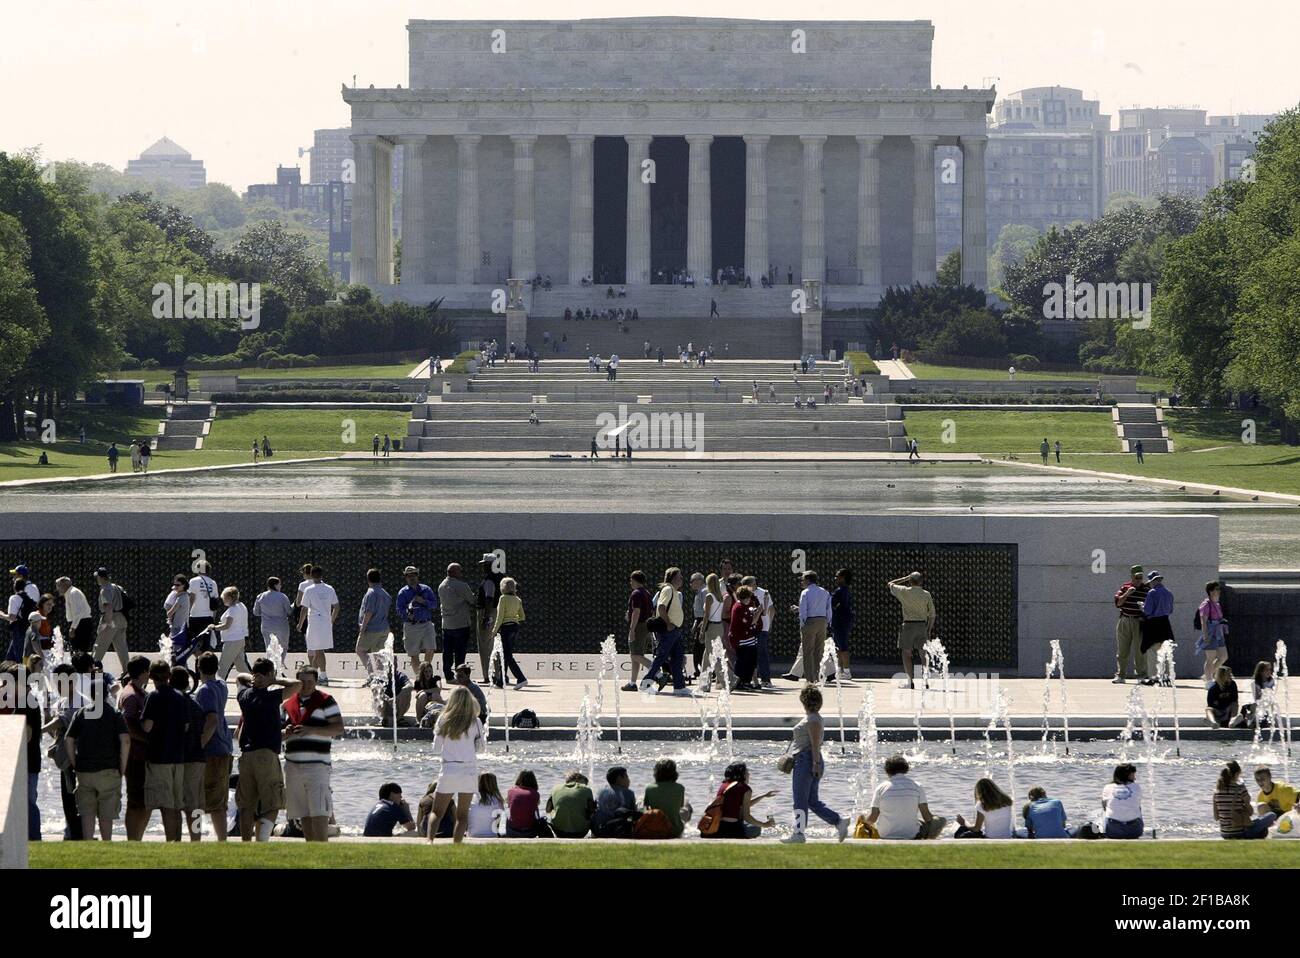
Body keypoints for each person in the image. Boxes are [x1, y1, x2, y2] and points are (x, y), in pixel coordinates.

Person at [234, 658, 301, 842]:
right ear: (270, 674)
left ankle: (246, 842)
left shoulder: (245, 696)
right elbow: (297, 685)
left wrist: (255, 677)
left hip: (246, 756)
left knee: (246, 805)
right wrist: (273, 681)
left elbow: (239, 677)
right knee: (273, 802)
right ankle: (262, 840)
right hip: (266, 756)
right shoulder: (271, 697)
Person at [283, 666, 344, 842]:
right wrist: (285, 732)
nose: (306, 685)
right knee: (303, 811)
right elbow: (276, 733)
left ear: (316, 682)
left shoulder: (326, 700)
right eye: (302, 681)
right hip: (293, 765)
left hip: (318, 765)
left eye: (310, 681)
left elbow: (338, 728)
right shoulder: (287, 703)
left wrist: (310, 730)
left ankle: (322, 846)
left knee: (319, 811)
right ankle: (311, 848)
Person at [66, 671, 129, 841]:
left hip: (85, 770)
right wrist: (122, 767)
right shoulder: (115, 714)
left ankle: (88, 843)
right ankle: (106, 844)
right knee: (106, 815)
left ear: (90, 694)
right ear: (107, 693)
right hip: (109, 769)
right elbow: (125, 741)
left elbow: (69, 740)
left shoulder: (80, 713)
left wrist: (75, 763)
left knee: (87, 813)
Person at [781, 686, 849, 843]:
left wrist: (816, 763)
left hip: (807, 760)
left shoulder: (813, 720)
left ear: (803, 701)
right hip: (808, 760)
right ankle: (839, 822)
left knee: (800, 799)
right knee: (811, 801)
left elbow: (815, 744)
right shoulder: (813, 717)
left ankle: (798, 833)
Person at [428, 685, 485, 842]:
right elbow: (481, 748)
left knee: (437, 812)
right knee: (462, 816)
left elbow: (436, 747)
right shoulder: (476, 722)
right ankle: (457, 845)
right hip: (468, 770)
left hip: (449, 768)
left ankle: (429, 841)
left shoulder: (444, 719)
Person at [140, 660, 189, 841]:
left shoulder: (153, 697)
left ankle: (170, 842)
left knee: (165, 804)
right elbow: (185, 726)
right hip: (178, 757)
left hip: (159, 757)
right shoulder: (179, 696)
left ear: (151, 677)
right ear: (169, 676)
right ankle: (177, 839)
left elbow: (147, 726)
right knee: (176, 805)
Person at [194, 651, 234, 840]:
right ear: (217, 668)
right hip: (224, 746)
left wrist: (198, 745)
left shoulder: (204, 690)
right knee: (219, 800)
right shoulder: (221, 685)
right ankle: (221, 839)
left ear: (198, 668)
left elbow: (211, 720)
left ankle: (196, 837)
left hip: (211, 750)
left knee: (197, 799)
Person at [863, 754, 946, 840]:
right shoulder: (917, 786)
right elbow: (926, 816)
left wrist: (863, 819)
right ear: (906, 769)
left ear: (887, 771)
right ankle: (928, 839)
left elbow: (872, 818)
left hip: (884, 834)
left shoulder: (881, 788)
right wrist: (936, 818)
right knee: (942, 820)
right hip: (911, 835)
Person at [117, 655, 151, 840]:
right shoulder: (131, 695)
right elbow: (128, 724)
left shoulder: (137, 692)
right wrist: (147, 740)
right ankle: (133, 839)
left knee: (144, 800)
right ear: (144, 672)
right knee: (135, 800)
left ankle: (137, 837)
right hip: (135, 756)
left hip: (140, 755)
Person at [641, 567, 689, 695]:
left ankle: (679, 687)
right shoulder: (668, 589)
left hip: (675, 630)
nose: (682, 579)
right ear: (673, 578)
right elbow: (661, 607)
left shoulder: (672, 590)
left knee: (677, 658)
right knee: (661, 657)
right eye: (680, 576)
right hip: (669, 630)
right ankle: (646, 684)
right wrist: (668, 623)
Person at [700, 762, 774, 839]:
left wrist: (764, 795)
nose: (749, 775)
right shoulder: (746, 789)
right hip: (732, 830)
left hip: (714, 828)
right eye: (747, 772)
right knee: (756, 829)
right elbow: (747, 817)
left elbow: (737, 805)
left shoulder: (724, 785)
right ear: (743, 775)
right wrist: (764, 824)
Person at [887, 571, 935, 689]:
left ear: (910, 581)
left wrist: (905, 578)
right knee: (923, 654)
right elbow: (932, 614)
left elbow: (890, 584)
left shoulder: (904, 591)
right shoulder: (926, 594)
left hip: (908, 625)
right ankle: (925, 680)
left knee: (906, 653)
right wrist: (928, 629)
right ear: (921, 581)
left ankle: (910, 681)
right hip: (922, 626)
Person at [790, 571, 833, 687]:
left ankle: (810, 679)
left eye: (803, 579)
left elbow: (803, 611)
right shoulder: (824, 592)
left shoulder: (805, 592)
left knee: (807, 652)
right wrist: (827, 622)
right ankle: (820, 676)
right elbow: (829, 609)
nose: (801, 581)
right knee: (819, 651)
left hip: (810, 621)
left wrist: (803, 624)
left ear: (808, 580)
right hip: (822, 621)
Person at [297, 566, 339, 683]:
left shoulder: (309, 590)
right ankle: (314, 675)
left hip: (314, 623)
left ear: (311, 575)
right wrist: (331, 620)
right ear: (321, 575)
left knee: (318, 650)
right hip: (325, 623)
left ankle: (323, 676)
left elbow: (304, 608)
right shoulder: (330, 588)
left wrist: (300, 624)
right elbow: (336, 606)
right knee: (317, 650)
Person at [1215, 761, 1276, 840]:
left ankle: (1261, 832)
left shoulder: (1217, 792)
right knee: (1271, 815)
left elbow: (1216, 817)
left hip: (1224, 834)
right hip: (1240, 833)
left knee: (1261, 828)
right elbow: (1250, 812)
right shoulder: (1240, 789)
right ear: (1237, 774)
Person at [396, 565, 439, 673]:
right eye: (409, 576)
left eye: (414, 575)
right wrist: (407, 614)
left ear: (417, 576)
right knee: (414, 654)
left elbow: (434, 604)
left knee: (430, 648)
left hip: (426, 624)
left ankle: (426, 672)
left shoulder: (426, 589)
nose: (412, 578)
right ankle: (419, 677)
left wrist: (424, 601)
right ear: (406, 577)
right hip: (411, 625)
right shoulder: (403, 592)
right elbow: (399, 609)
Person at [202, 586, 251, 680]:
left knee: (222, 666)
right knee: (241, 666)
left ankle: (217, 685)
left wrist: (214, 627)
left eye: (224, 598)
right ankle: (253, 683)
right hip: (240, 640)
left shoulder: (232, 610)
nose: (223, 601)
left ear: (229, 598)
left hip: (232, 641)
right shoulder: (242, 606)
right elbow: (235, 623)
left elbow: (226, 626)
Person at [438, 563, 476, 681]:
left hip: (447, 624)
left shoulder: (441, 586)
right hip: (461, 624)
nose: (462, 573)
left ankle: (448, 676)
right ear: (454, 572)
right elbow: (472, 600)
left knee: (447, 652)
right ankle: (460, 675)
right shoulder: (462, 586)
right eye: (460, 571)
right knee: (460, 652)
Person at [1113, 565, 1149, 684]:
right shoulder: (1125, 587)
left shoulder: (1146, 589)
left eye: (1140, 577)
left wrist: (1144, 609)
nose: (1139, 580)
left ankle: (1141, 675)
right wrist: (1127, 594)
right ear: (1132, 576)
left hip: (1139, 621)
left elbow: (1151, 607)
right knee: (1122, 650)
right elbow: (1118, 603)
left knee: (1140, 651)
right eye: (1136, 577)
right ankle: (1121, 675)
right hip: (1125, 620)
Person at [92, 567, 130, 678]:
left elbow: (108, 607)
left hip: (111, 619)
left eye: (97, 577)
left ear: (100, 577)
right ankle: (127, 672)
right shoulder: (117, 587)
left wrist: (106, 624)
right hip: (122, 619)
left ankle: (91, 672)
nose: (97, 579)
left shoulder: (105, 589)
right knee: (122, 647)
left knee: (99, 646)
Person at [492, 576, 528, 688]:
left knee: (507, 656)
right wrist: (514, 617)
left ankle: (521, 678)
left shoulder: (503, 598)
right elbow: (522, 616)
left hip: (506, 628)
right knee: (506, 654)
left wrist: (494, 630)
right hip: (515, 628)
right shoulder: (518, 599)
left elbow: (500, 616)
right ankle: (501, 680)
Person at [641, 758, 691, 839]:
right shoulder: (680, 788)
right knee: (687, 805)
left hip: (655, 828)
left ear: (656, 772)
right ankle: (685, 831)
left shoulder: (649, 788)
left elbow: (646, 807)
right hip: (675, 830)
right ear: (674, 773)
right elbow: (680, 806)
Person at [1140, 570, 1173, 686]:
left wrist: (1142, 607)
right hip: (1165, 622)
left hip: (1154, 623)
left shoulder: (1152, 593)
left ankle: (1153, 677)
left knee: (1152, 651)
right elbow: (1170, 610)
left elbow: (1148, 610)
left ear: (1153, 581)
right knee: (1165, 651)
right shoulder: (1169, 593)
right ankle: (1166, 677)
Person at [356, 568, 392, 676]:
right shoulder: (386, 594)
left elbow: (369, 612)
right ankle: (381, 677)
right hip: (384, 628)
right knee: (378, 654)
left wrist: (362, 629)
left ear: (368, 579)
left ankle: (372, 675)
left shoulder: (371, 593)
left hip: (371, 628)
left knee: (360, 650)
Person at [475, 555, 504, 682]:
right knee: (497, 645)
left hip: (487, 612)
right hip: (498, 612)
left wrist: (486, 618)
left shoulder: (489, 580)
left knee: (485, 645)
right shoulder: (502, 577)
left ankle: (488, 676)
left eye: (485, 565)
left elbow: (489, 598)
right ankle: (499, 674)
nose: (483, 567)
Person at [1195, 580, 1229, 684]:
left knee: (1223, 656)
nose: (1218, 591)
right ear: (1210, 591)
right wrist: (1205, 635)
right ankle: (1209, 680)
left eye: (1218, 589)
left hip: (1219, 633)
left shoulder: (1217, 604)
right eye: (1216, 589)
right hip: (1210, 632)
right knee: (1210, 658)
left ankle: (1208, 674)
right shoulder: (1206, 604)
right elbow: (1203, 621)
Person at [729, 584, 761, 690]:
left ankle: (746, 681)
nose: (749, 600)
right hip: (741, 639)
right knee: (743, 661)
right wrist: (758, 613)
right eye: (747, 598)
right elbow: (749, 623)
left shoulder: (747, 605)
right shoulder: (739, 608)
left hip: (750, 638)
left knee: (751, 661)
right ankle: (739, 682)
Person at [592, 766, 638, 838]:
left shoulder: (600, 792)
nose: (629, 780)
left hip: (598, 830)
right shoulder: (628, 793)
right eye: (626, 777)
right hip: (615, 831)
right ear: (619, 778)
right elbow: (634, 814)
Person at [547, 771, 596, 838]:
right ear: (577, 780)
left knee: (553, 811)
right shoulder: (586, 789)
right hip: (580, 832)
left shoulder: (555, 788)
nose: (585, 785)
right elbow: (592, 811)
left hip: (559, 831)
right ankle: (594, 836)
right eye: (584, 783)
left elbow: (548, 810)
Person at [1100, 763, 1144, 839]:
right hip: (1135, 831)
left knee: (1105, 811)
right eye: (1133, 775)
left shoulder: (1108, 787)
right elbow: (1138, 807)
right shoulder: (1137, 787)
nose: (1135, 778)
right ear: (1126, 775)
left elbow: (1104, 807)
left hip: (1113, 831)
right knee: (1138, 809)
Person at [187, 561, 220, 654]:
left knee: (192, 642)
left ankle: (198, 658)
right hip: (208, 617)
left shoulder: (193, 581)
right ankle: (203, 663)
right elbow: (215, 603)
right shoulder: (213, 583)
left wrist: (186, 614)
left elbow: (192, 598)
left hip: (195, 616)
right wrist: (213, 619)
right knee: (206, 644)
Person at [252, 577, 293, 652]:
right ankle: (280, 663)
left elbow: (256, 612)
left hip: (266, 626)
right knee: (282, 647)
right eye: (279, 584)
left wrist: (265, 612)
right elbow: (289, 611)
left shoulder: (260, 596)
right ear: (275, 585)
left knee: (269, 648)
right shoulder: (283, 597)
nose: (281, 586)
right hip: (281, 626)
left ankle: (271, 663)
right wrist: (294, 606)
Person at [55, 576, 94, 655]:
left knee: (79, 651)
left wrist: (73, 628)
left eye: (58, 586)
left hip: (81, 624)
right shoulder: (70, 593)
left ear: (64, 585)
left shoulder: (73, 593)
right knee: (77, 651)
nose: (57, 589)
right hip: (79, 623)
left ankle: (81, 667)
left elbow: (78, 613)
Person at [505, 769, 546, 838]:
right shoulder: (535, 794)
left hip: (512, 831)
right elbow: (537, 805)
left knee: (509, 814)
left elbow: (508, 804)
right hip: (530, 832)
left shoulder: (511, 791)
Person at [829, 568, 853, 680]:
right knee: (838, 647)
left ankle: (847, 672)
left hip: (840, 622)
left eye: (837, 576)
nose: (835, 578)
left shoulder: (840, 591)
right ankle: (839, 670)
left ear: (843, 578)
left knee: (843, 647)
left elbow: (833, 604)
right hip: (841, 621)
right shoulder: (846, 590)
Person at [163, 575, 192, 664]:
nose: (175, 587)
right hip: (181, 627)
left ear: (184, 585)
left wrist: (169, 609)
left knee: (177, 654)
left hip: (178, 629)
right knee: (179, 653)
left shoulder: (181, 598)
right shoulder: (185, 596)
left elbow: (169, 613)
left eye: (178, 585)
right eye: (174, 585)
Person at [468, 773, 505, 838]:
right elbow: (501, 821)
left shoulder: (470, 797)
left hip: (472, 835)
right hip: (492, 835)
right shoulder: (497, 800)